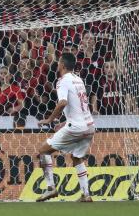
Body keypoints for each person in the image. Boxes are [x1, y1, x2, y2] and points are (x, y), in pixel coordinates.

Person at [35, 52, 94, 202]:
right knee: (76, 157)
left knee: (43, 150)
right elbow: (80, 106)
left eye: (58, 62)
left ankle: (50, 188)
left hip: (77, 127)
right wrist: (64, 123)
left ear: (62, 65)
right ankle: (86, 194)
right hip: (89, 126)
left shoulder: (62, 81)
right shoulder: (78, 80)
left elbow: (62, 103)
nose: (57, 64)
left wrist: (49, 120)